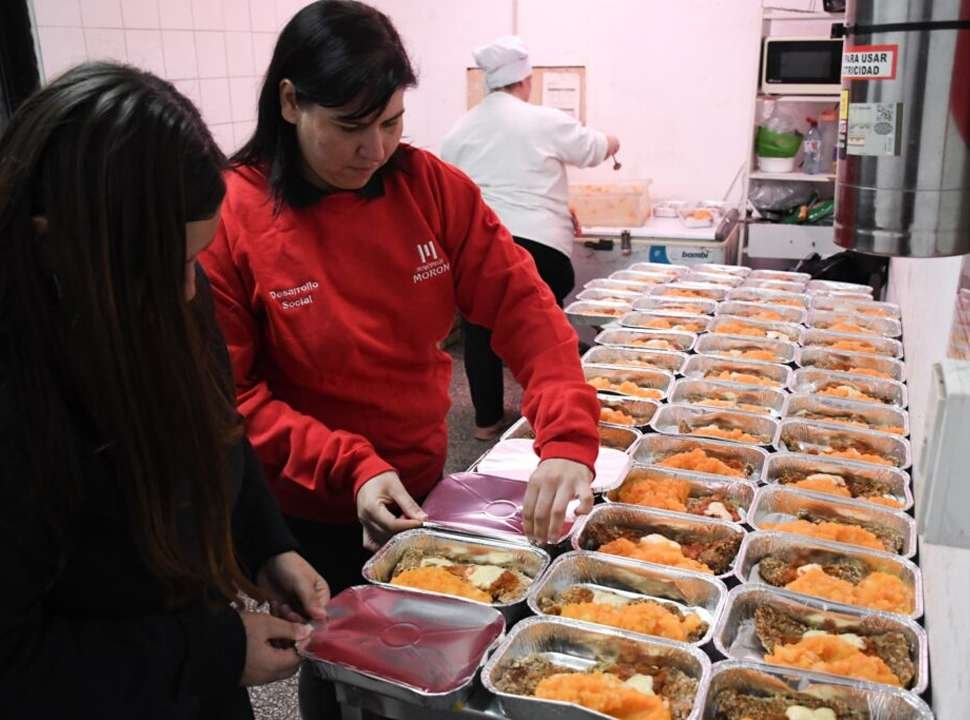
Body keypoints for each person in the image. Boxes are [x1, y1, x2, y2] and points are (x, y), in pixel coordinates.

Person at [0, 62, 330, 720]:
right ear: (51, 243)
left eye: (193, 260)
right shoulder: (19, 393)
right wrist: (206, 652)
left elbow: (216, 424)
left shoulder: (168, 289)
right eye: (164, 267)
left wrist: (267, 544)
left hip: (194, 658)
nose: (187, 290)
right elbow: (16, 664)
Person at [441, 35, 620, 441]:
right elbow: (592, 149)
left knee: (479, 330)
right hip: (540, 246)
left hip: (481, 245)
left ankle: (487, 421)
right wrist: (614, 142)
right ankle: (547, 419)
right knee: (542, 334)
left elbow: (461, 188)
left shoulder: (459, 130)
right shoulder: (542, 119)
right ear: (525, 80)